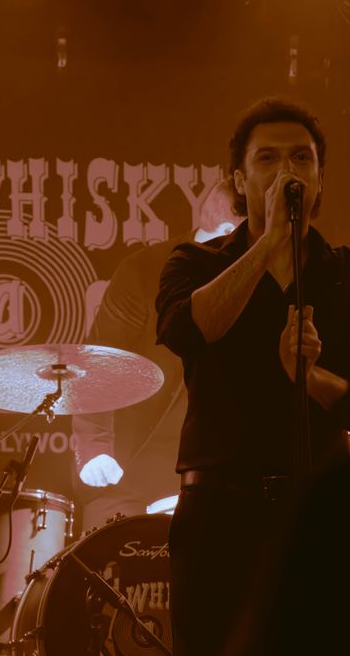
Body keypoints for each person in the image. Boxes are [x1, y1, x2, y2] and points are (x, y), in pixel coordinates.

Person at [153, 97, 350, 656]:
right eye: (267, 158)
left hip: (315, 519)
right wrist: (264, 244)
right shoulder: (196, 264)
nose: (286, 170)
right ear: (238, 177)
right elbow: (188, 329)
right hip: (219, 513)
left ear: (320, 179)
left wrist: (313, 378)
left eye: (301, 158)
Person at [71, 181, 243, 535]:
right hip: (134, 469)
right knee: (113, 557)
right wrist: (95, 448)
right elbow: (100, 359)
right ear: (229, 229)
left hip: (225, 473)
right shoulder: (145, 270)